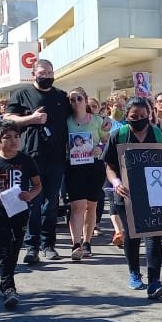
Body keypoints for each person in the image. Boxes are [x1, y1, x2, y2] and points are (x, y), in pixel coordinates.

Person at [5, 59, 71, 263]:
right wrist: (30, 119)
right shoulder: (21, 94)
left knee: (51, 204)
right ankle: (31, 246)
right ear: (33, 74)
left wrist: (101, 121)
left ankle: (48, 245)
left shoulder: (61, 96)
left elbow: (76, 118)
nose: (46, 76)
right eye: (42, 73)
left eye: (50, 72)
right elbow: (7, 118)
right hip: (30, 157)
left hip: (56, 157)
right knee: (32, 202)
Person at [104, 98, 162, 298]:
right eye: (134, 117)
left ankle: (154, 281)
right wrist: (116, 183)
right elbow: (109, 167)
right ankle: (134, 272)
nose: (139, 120)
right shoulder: (119, 135)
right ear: (127, 116)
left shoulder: (157, 134)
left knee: (154, 234)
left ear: (149, 115)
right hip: (125, 193)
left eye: (143, 116)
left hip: (152, 191)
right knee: (131, 234)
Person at [0, 121, 42, 311]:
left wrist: (30, 195)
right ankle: (9, 287)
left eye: (16, 137)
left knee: (14, 249)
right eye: (8, 137)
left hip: (19, 211)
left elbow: (38, 185)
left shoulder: (27, 160)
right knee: (3, 250)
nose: (13, 141)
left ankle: (6, 281)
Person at [65, 86, 110, 261]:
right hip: (74, 167)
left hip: (94, 167)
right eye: (72, 99)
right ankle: (76, 244)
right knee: (77, 206)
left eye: (79, 99)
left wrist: (99, 148)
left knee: (91, 206)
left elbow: (107, 140)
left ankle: (87, 241)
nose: (76, 102)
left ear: (85, 100)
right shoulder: (66, 121)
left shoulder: (98, 121)